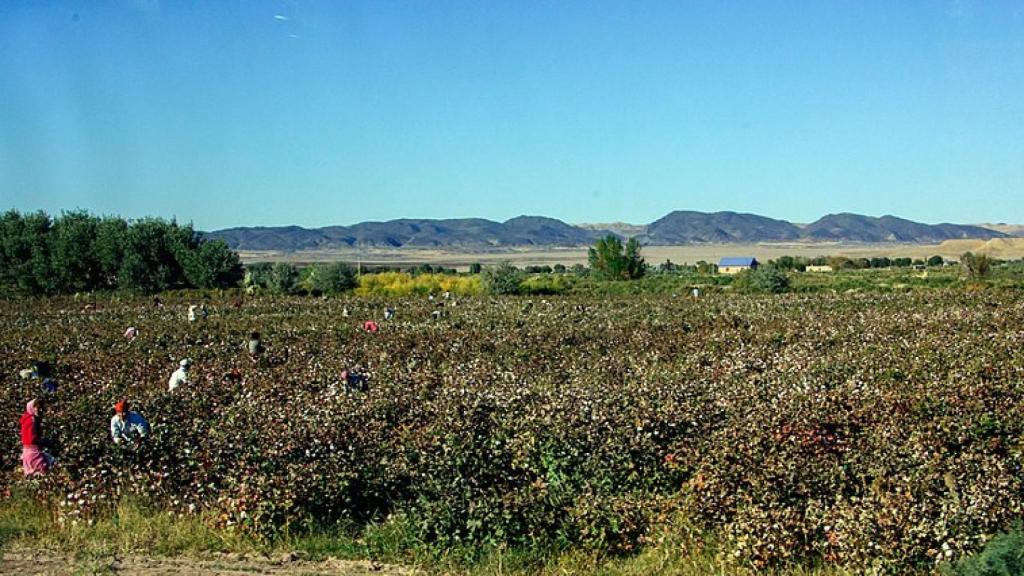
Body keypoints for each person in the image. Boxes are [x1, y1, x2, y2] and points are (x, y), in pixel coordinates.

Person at [20, 399, 54, 476]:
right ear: (32, 408)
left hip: (27, 452)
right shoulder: (32, 420)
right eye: (37, 407)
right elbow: (32, 439)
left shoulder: (27, 419)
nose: (40, 410)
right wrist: (46, 442)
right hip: (33, 452)